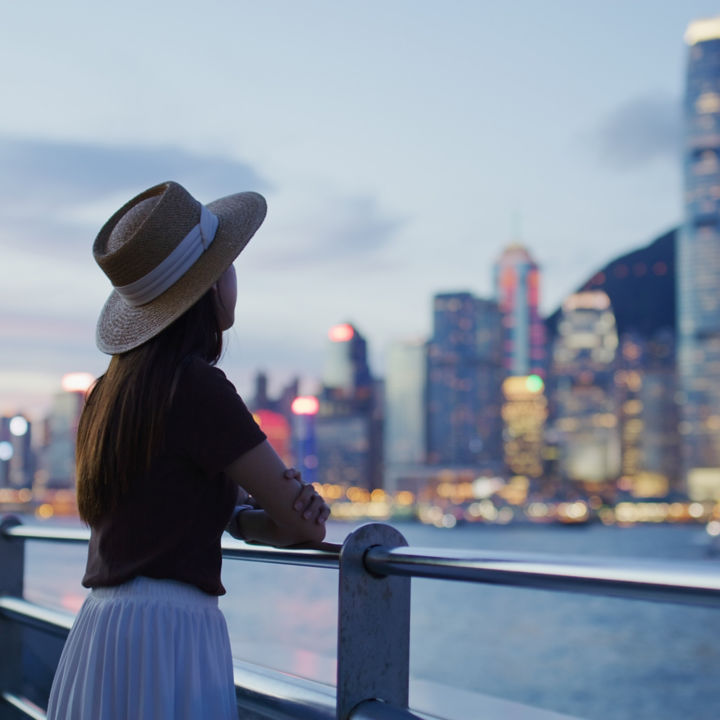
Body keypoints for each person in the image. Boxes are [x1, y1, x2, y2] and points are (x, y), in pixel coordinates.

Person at [47, 181, 330, 720]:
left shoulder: (108, 393)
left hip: (101, 629)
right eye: (227, 264)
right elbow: (301, 527)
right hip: (169, 632)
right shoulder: (199, 387)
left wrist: (241, 515)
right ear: (207, 287)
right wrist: (284, 511)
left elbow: (170, 505)